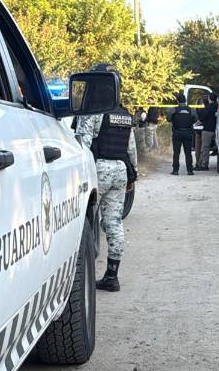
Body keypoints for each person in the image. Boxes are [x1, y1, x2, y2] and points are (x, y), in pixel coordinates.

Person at [76, 64, 138, 292]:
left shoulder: (92, 111)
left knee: (82, 222)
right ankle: (112, 276)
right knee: (114, 222)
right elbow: (131, 148)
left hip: (97, 169)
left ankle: (80, 276)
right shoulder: (124, 113)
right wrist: (133, 174)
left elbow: (83, 143)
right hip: (120, 170)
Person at [167, 93, 196, 175]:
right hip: (188, 132)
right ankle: (190, 170)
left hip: (177, 132)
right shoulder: (191, 110)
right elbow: (195, 119)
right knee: (188, 152)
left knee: (176, 152)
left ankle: (175, 170)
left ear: (177, 101)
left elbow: (168, 118)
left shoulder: (174, 110)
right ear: (185, 100)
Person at [196, 93, 218, 171]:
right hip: (216, 129)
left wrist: (194, 124)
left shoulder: (209, 108)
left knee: (205, 148)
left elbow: (202, 118)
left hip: (207, 130)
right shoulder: (217, 107)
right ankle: (202, 164)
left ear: (209, 99)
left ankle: (204, 165)